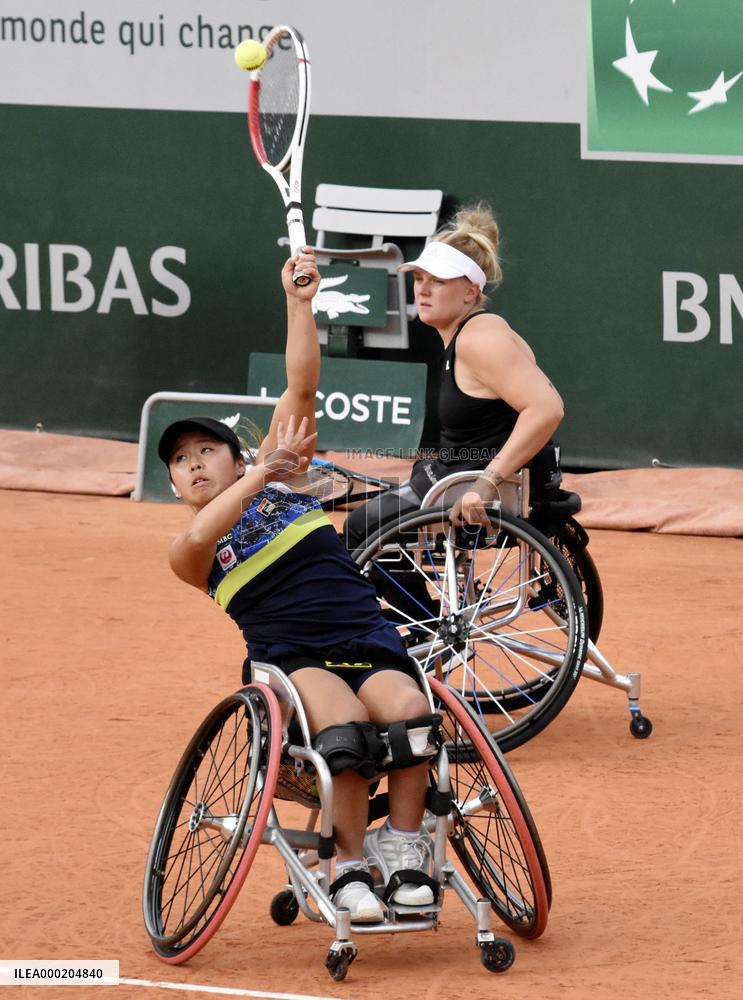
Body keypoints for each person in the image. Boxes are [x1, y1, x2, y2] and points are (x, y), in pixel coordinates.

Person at [158, 249, 436, 924]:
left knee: (409, 717)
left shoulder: (281, 483)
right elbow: (199, 539)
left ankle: (401, 853)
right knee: (342, 733)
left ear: (232, 453)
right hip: (293, 657)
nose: (194, 465)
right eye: (179, 462)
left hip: (365, 634)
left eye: (206, 452)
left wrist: (298, 303)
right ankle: (344, 869)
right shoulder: (192, 549)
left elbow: (302, 388)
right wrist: (261, 473)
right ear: (171, 483)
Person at [344, 202, 565, 550]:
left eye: (438, 281)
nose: (423, 289)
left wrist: (487, 483)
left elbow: (547, 408)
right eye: (419, 279)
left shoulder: (479, 339)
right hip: (452, 477)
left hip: (480, 490)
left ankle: (412, 607)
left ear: (470, 292)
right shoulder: (470, 333)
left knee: (361, 527)